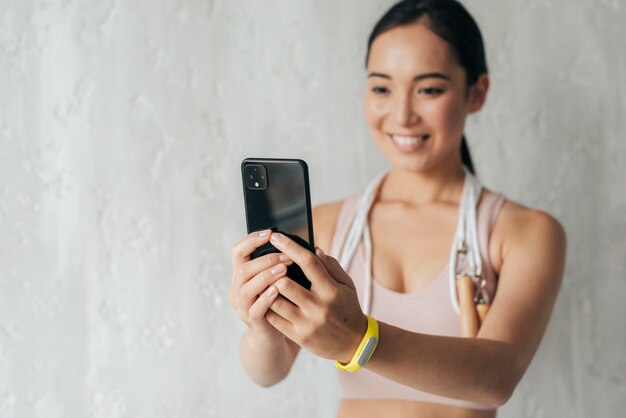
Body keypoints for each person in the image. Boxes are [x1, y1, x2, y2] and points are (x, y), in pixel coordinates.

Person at [228, 0, 566, 416]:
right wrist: (261, 325)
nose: (402, 115)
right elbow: (268, 372)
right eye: (382, 88)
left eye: (428, 89)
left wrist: (357, 340)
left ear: (476, 93)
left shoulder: (521, 232)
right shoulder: (331, 226)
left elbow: (495, 378)